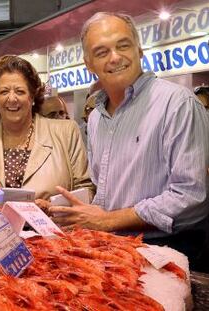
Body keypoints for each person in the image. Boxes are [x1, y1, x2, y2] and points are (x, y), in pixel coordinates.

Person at [48, 12, 209, 269]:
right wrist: (70, 211)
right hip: (115, 248)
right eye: (101, 52)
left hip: (170, 250)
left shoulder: (177, 103)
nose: (115, 57)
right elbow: (106, 193)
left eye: (123, 45)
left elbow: (191, 197)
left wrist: (108, 220)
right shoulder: (97, 118)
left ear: (139, 49)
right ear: (88, 64)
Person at [0, 55, 94, 200]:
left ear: (32, 97)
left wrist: (53, 208)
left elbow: (86, 190)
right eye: (4, 91)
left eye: (20, 91)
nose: (12, 99)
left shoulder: (66, 132)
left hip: (53, 221)